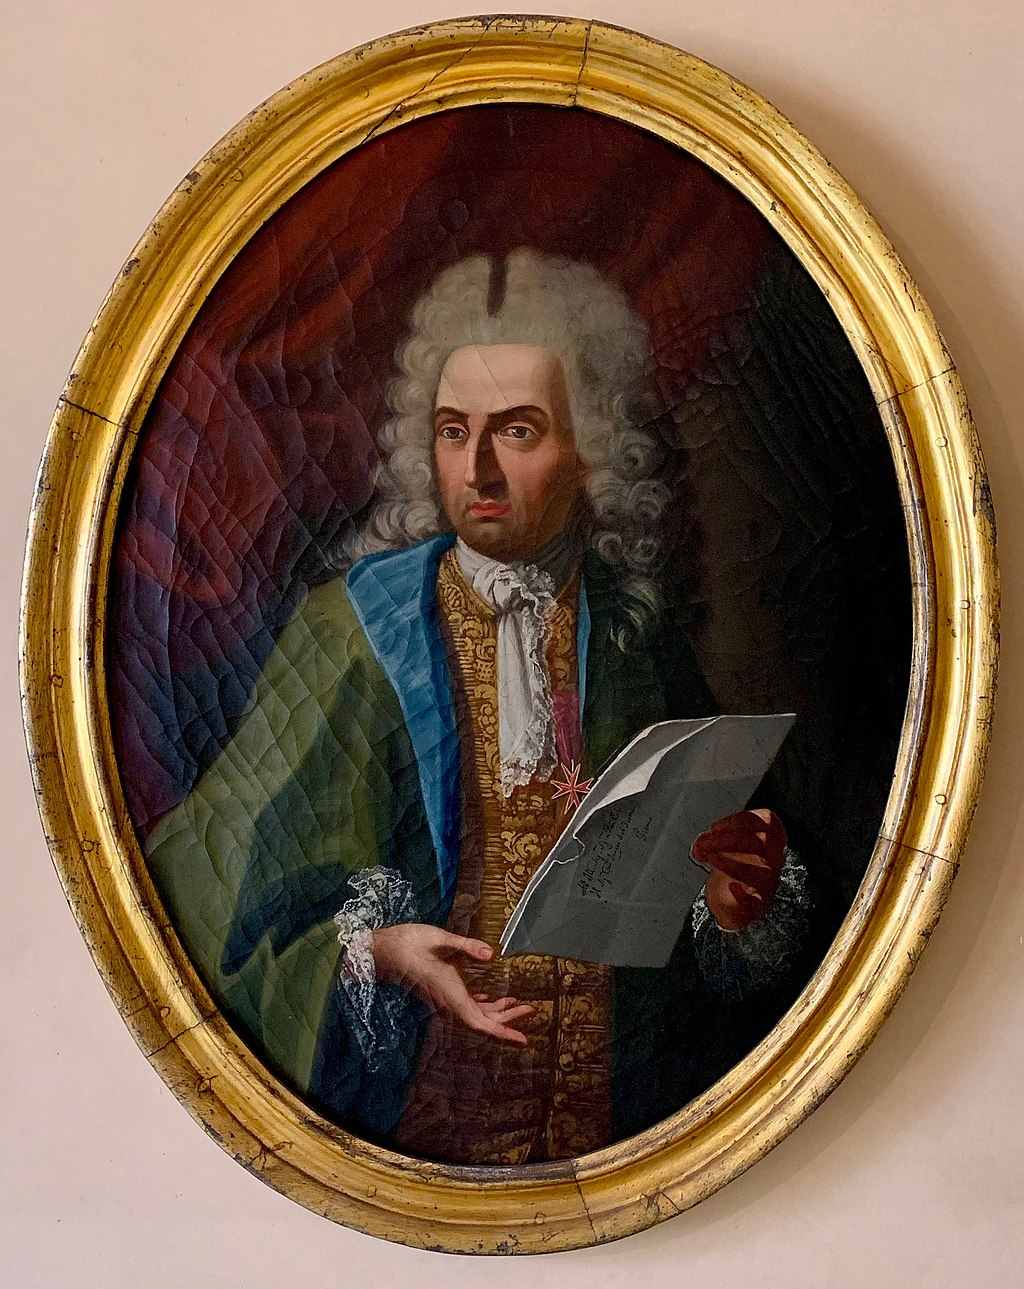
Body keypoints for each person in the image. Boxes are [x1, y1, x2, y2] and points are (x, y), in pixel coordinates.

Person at [145, 248, 809, 1165]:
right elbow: (205, 889)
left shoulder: (631, 635)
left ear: (591, 450)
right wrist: (377, 953)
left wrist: (733, 903)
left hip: (608, 1126)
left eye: (519, 430)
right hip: (419, 1124)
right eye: (454, 430)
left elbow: (702, 923)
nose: (479, 469)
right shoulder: (353, 631)